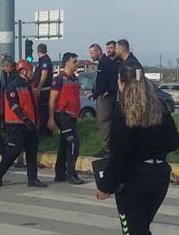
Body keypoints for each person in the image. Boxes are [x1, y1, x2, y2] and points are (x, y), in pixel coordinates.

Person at [95, 63, 179, 235]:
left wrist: (104, 186)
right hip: (159, 178)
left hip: (134, 182)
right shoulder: (159, 109)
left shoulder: (124, 115)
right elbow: (174, 140)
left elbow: (118, 157)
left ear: (121, 83)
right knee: (143, 232)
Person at [0, 58, 47, 188]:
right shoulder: (13, 85)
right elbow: (14, 105)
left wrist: (35, 122)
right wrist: (25, 119)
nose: (32, 73)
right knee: (13, 151)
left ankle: (32, 179)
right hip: (16, 124)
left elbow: (32, 106)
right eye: (30, 70)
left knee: (32, 151)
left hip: (30, 124)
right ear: (23, 71)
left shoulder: (30, 85)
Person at [51, 53, 86, 185]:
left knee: (64, 144)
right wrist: (51, 118)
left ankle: (60, 173)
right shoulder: (59, 79)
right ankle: (71, 174)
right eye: (74, 61)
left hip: (72, 116)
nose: (77, 63)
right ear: (67, 63)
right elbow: (52, 99)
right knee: (73, 143)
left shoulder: (74, 79)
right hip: (62, 115)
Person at [91, 41, 119, 156]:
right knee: (103, 120)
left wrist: (107, 91)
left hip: (105, 97)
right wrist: (93, 92)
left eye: (92, 53)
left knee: (103, 120)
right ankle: (108, 147)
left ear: (98, 51)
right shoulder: (103, 62)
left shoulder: (105, 62)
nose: (91, 56)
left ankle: (107, 148)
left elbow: (112, 77)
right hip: (102, 94)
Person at [34, 43, 53, 137]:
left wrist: (39, 88)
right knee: (42, 111)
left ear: (38, 51)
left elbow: (44, 75)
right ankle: (43, 131)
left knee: (43, 112)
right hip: (43, 89)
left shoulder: (44, 60)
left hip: (44, 90)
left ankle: (44, 132)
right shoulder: (42, 60)